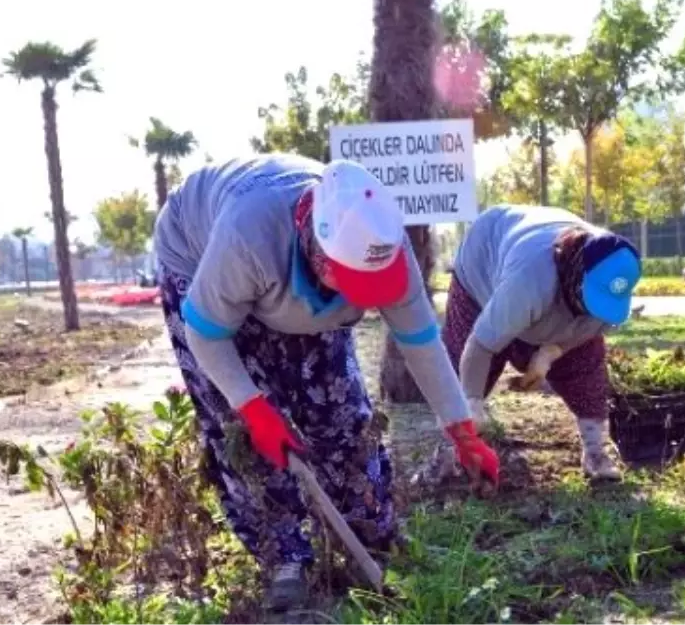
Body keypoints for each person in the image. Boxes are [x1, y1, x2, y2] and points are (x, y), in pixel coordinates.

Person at [152, 154, 499, 612]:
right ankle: (285, 558)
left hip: (285, 280)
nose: (364, 297)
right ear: (317, 248)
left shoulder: (384, 245)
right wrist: (251, 406)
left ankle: (372, 534)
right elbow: (207, 333)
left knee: (341, 416)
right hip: (197, 261)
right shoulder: (249, 234)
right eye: (355, 283)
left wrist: (460, 428)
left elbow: (420, 342)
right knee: (244, 432)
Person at [434, 203, 642, 481]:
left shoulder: (613, 288)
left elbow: (586, 334)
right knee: (465, 370)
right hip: (484, 260)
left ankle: (596, 452)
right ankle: (454, 448)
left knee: (586, 365)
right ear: (576, 275)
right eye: (591, 300)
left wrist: (549, 354)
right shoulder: (531, 279)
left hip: (536, 289)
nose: (595, 314)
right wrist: (471, 402)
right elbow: (480, 344)